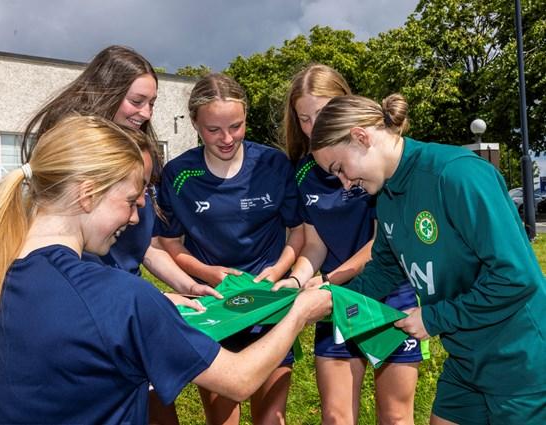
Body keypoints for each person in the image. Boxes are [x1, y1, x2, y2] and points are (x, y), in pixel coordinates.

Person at [0, 115, 332, 425]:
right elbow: (237, 380)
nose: (135, 216)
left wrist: (158, 302)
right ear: (87, 194)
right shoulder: (119, 298)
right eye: (129, 201)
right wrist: (300, 312)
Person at [310, 93, 546, 425]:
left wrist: (433, 318)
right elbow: (385, 271)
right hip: (466, 360)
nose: (346, 184)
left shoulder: (456, 175)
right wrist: (324, 301)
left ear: (361, 137)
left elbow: (517, 278)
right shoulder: (388, 197)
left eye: (341, 169)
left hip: (521, 363)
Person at [19, 45, 219, 423]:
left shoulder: (138, 153)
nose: (145, 113)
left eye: (152, 103)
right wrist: (147, 303)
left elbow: (142, 243)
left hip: (128, 304)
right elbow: (237, 379)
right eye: (137, 101)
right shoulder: (77, 157)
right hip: (93, 314)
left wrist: (186, 286)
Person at [273, 64, 423, 425]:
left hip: (389, 296)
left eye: (323, 114)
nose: (313, 129)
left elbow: (380, 245)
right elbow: (314, 244)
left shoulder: (378, 164)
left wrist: (328, 282)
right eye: (304, 119)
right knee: (337, 418)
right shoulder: (304, 171)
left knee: (396, 417)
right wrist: (296, 282)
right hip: (335, 301)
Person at [157, 73, 304, 425]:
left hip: (268, 304)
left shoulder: (273, 164)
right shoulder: (178, 175)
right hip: (214, 308)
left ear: (246, 118)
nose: (227, 139)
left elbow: (297, 232)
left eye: (236, 126)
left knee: (271, 419)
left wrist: (279, 270)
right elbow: (170, 245)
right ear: (194, 123)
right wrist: (207, 274)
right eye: (213, 130)